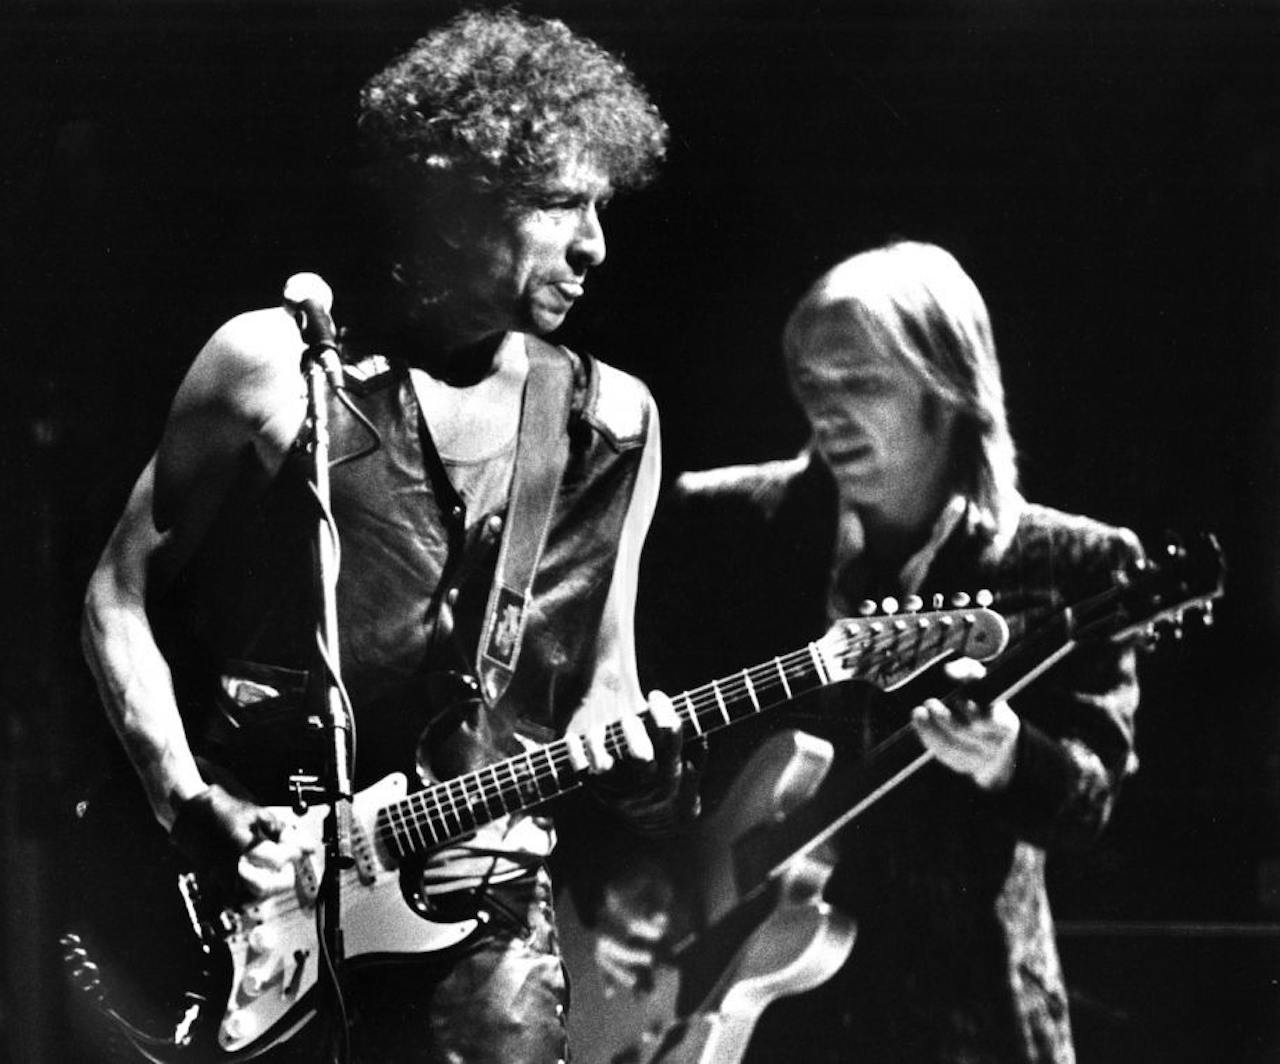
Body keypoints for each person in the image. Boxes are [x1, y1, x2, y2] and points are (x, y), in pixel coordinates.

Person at [80, 10, 689, 1063]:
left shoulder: (612, 423)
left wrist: (648, 769)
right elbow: (117, 596)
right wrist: (187, 802)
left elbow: (604, 689)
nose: (596, 245)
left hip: (483, 934)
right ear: (453, 199)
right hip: (265, 905)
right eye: (559, 205)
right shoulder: (277, 366)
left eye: (600, 204)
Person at [592, 240, 1145, 1063]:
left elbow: (1090, 800)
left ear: (949, 387)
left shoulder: (1074, 565)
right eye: (813, 384)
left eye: (862, 383)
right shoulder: (727, 525)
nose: (827, 412)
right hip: (735, 1018)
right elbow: (633, 731)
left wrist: (1004, 755)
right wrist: (637, 871)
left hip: (963, 1020)